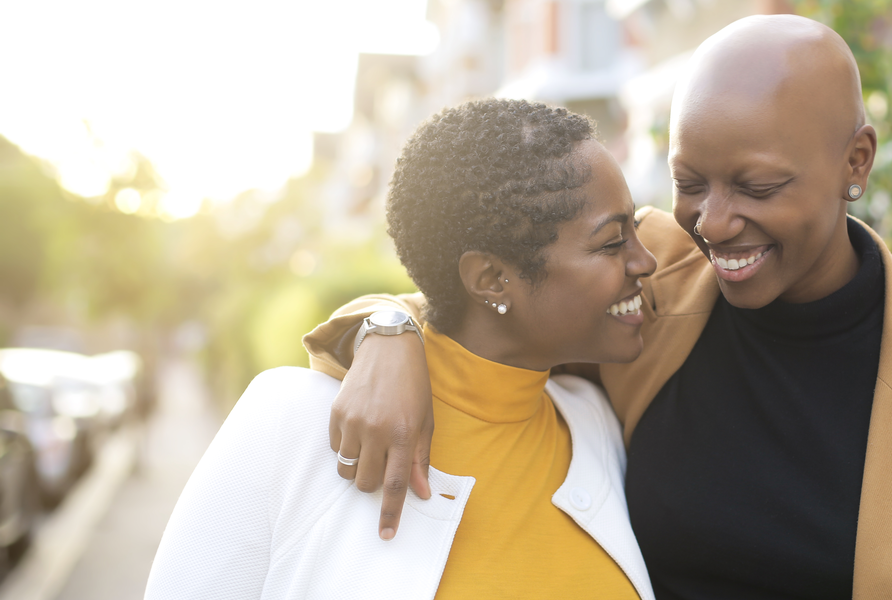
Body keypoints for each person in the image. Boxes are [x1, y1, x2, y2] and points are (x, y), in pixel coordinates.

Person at [304, 15, 892, 600]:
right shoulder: (650, 283)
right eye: (690, 182)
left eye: (758, 187)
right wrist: (388, 326)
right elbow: (480, 295)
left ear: (855, 163)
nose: (714, 222)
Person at [145, 99, 659, 599]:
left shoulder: (594, 424)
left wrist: (384, 322)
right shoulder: (291, 425)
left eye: (634, 229)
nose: (647, 261)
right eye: (612, 243)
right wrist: (385, 325)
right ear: (492, 279)